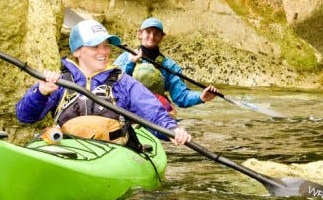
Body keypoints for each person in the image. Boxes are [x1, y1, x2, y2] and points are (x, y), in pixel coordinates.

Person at [16, 18, 193, 147]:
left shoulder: (122, 82)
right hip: (69, 148)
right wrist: (41, 92)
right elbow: (25, 116)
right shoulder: (60, 81)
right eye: (95, 46)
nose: (104, 52)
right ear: (77, 51)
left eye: (106, 45)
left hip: (113, 150)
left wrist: (171, 130)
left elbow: (151, 111)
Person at [113, 17, 217, 109]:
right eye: (148, 32)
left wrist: (201, 97)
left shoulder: (169, 66)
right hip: (129, 108)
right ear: (140, 34)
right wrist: (130, 63)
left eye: (156, 33)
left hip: (155, 110)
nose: (152, 36)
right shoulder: (125, 58)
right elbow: (113, 86)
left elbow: (181, 97)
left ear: (162, 36)